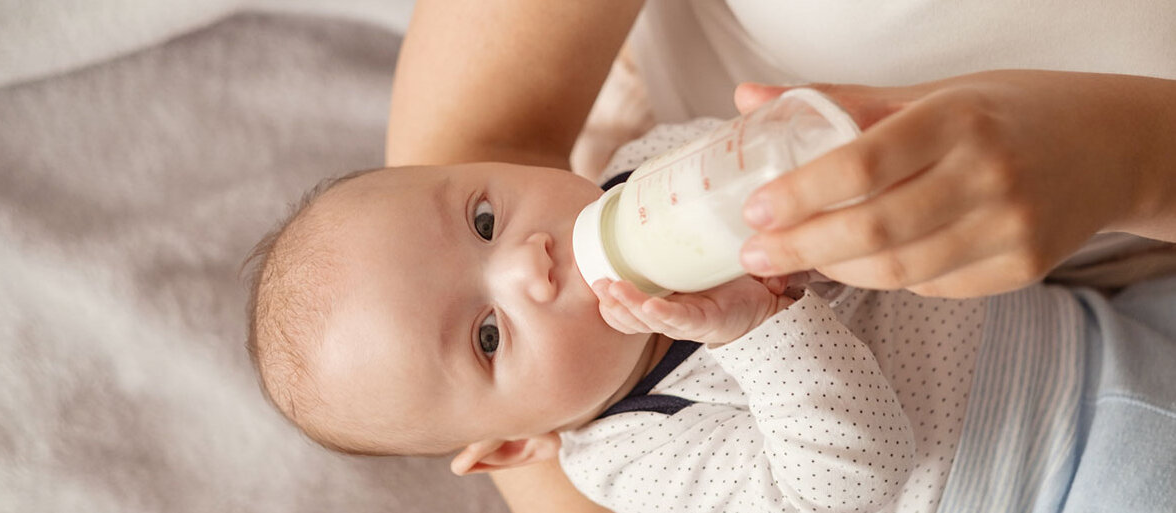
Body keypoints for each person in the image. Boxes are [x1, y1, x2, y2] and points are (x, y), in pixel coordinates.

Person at [386, 1, 1176, 511]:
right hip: (1060, 478)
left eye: (484, 218)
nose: (529, 261)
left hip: (1091, 325)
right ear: (519, 446)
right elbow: (854, 474)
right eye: (488, 335)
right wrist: (761, 331)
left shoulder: (642, 170)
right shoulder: (631, 456)